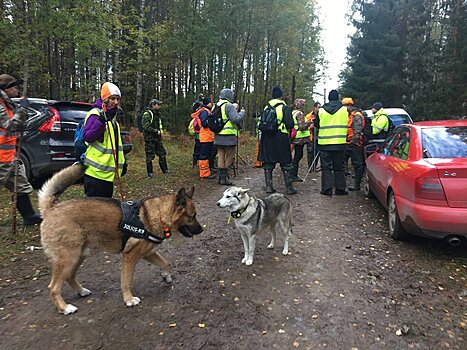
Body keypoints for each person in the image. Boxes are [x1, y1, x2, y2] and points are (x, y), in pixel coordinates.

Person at [0, 74, 42, 225]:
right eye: (15, 86)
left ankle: (29, 217)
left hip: (10, 156)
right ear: (6, 89)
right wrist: (23, 110)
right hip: (1, 158)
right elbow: (10, 125)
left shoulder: (8, 104)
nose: (17, 89)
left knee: (21, 186)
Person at [82, 82, 126, 198]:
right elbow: (87, 137)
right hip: (95, 175)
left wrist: (123, 162)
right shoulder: (95, 114)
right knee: (94, 214)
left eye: (118, 99)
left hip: (107, 176)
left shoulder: (112, 119)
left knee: (105, 213)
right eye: (112, 99)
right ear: (105, 99)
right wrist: (101, 122)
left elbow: (115, 145)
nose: (116, 102)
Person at [258, 86, 296, 195]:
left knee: (268, 163)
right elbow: (290, 124)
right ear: (281, 96)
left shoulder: (266, 107)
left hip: (267, 137)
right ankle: (289, 188)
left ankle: (269, 187)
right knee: (285, 162)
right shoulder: (284, 108)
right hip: (281, 137)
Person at [314, 89, 349, 196]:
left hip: (324, 143)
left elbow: (317, 124)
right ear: (338, 98)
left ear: (328, 98)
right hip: (339, 142)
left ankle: (327, 189)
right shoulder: (344, 110)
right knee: (339, 166)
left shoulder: (321, 110)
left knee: (326, 167)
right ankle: (340, 189)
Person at [212, 88, 245, 185]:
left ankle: (221, 178)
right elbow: (235, 119)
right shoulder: (229, 106)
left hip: (218, 135)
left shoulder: (216, 106)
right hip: (229, 135)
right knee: (230, 156)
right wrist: (242, 112)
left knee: (221, 155)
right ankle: (224, 177)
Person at [142, 99, 170, 177]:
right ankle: (150, 172)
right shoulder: (147, 114)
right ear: (153, 105)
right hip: (150, 139)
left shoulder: (158, 114)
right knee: (150, 156)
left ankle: (165, 169)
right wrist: (155, 131)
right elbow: (145, 126)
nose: (159, 106)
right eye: (158, 104)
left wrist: (160, 133)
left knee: (162, 153)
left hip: (157, 138)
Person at [342, 97, 365, 191]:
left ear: (349, 105)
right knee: (343, 163)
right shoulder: (349, 115)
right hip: (347, 143)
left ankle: (357, 185)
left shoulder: (356, 116)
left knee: (357, 164)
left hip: (355, 144)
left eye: (345, 106)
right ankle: (343, 184)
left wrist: (353, 142)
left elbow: (357, 131)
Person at [290, 98, 312, 182]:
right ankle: (293, 175)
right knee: (298, 156)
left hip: (295, 137)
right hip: (299, 138)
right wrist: (310, 123)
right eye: (303, 105)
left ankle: (293, 174)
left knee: (297, 155)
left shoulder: (293, 113)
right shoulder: (300, 114)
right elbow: (302, 127)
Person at [196, 96, 216, 179]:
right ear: (209, 103)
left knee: (207, 154)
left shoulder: (206, 111)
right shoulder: (204, 112)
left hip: (208, 137)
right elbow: (204, 124)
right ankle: (204, 173)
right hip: (205, 137)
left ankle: (207, 171)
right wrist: (211, 121)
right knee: (204, 155)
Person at [305, 102, 320, 171]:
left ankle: (314, 166)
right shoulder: (309, 116)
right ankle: (310, 167)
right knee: (310, 152)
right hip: (311, 136)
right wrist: (310, 127)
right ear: (314, 108)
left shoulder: (321, 115)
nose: (319, 109)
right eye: (318, 107)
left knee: (317, 151)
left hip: (318, 136)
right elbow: (304, 126)